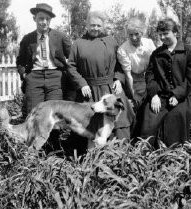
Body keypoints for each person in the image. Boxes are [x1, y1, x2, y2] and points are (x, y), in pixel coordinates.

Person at [67, 11, 135, 140]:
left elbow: (120, 64)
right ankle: (90, 157)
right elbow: (71, 66)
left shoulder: (111, 41)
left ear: (103, 26)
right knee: (90, 124)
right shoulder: (78, 43)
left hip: (111, 89)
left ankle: (119, 154)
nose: (95, 28)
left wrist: (118, 79)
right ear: (86, 25)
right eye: (92, 25)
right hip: (89, 91)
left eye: (99, 25)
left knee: (120, 123)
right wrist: (82, 84)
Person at [140, 18, 191, 147]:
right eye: (160, 34)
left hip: (182, 96)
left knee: (176, 116)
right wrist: (154, 95)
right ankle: (147, 155)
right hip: (160, 96)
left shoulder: (187, 51)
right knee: (149, 117)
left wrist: (177, 95)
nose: (162, 37)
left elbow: (189, 79)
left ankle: (174, 156)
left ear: (175, 33)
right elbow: (150, 77)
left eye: (165, 33)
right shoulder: (156, 54)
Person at [16, 3, 71, 115]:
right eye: (41, 18)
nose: (44, 22)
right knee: (34, 114)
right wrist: (24, 75)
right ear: (34, 19)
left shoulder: (60, 36)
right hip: (34, 78)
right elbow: (20, 61)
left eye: (47, 19)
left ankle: (54, 134)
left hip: (55, 77)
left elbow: (72, 56)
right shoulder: (27, 39)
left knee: (55, 114)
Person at [117, 17, 156, 107]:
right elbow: (128, 75)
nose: (134, 38)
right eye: (131, 35)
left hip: (149, 78)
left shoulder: (149, 43)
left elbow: (155, 65)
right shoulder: (122, 49)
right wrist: (133, 95)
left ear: (142, 32)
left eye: (136, 34)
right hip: (133, 82)